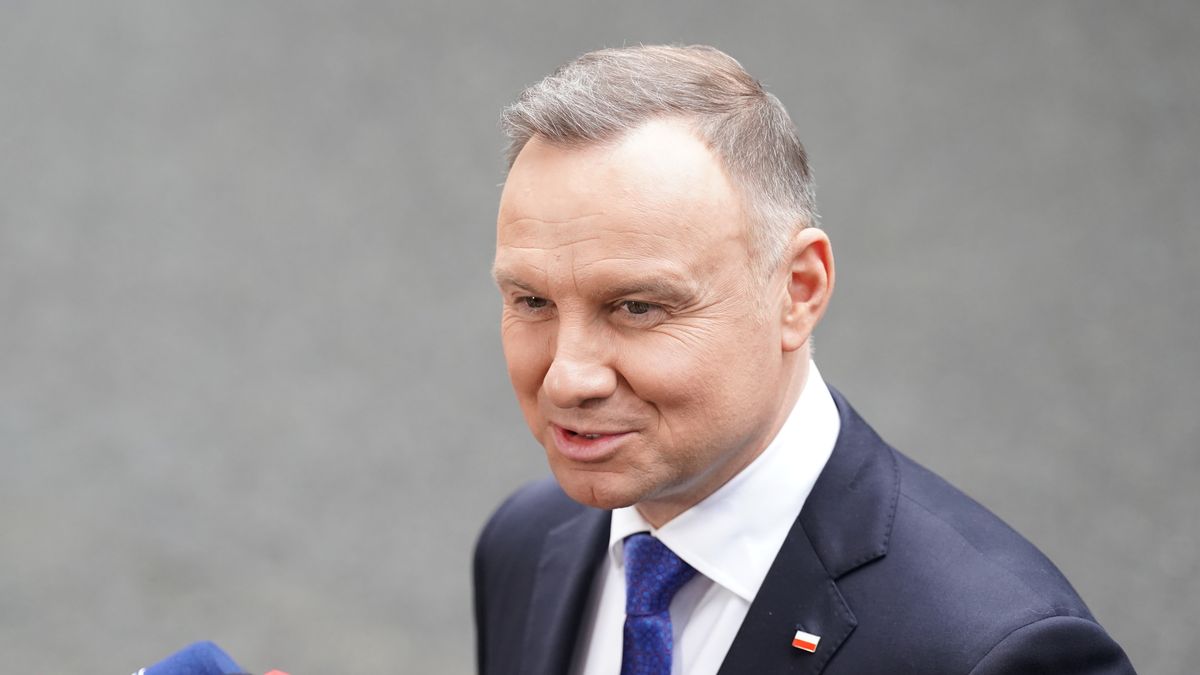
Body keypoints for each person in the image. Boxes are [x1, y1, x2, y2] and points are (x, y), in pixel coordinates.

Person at [473, 44, 1135, 675]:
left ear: (798, 290)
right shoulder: (526, 543)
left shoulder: (992, 649)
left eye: (637, 307)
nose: (568, 376)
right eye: (531, 300)